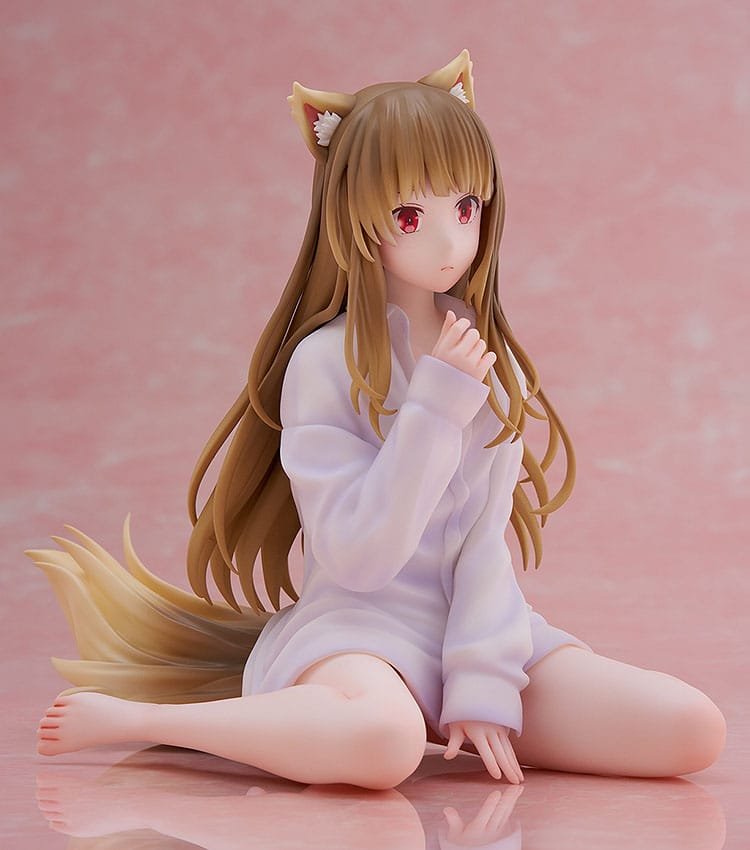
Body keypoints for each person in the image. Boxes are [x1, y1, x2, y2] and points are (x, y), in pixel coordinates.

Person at [30, 50, 726, 789]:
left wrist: (482, 683)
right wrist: (432, 410)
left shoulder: (491, 360)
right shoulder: (323, 365)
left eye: (466, 208)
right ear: (356, 220)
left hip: (476, 629)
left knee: (688, 728)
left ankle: (418, 711)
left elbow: (483, 543)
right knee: (385, 744)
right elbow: (359, 558)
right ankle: (145, 721)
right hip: (356, 633)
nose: (450, 243)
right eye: (409, 217)